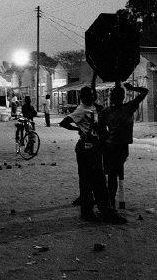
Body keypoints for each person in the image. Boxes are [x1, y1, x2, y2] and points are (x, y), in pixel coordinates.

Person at [59, 86, 126, 224]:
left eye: (92, 95)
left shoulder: (94, 107)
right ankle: (92, 212)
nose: (91, 97)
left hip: (95, 147)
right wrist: (80, 129)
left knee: (96, 179)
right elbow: (64, 123)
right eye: (88, 95)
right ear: (82, 97)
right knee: (90, 180)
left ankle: (97, 211)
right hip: (86, 148)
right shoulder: (81, 110)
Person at [99, 83, 149, 209]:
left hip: (117, 147)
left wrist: (132, 88)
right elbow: (101, 129)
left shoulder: (126, 108)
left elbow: (145, 91)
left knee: (112, 175)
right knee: (112, 175)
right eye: (112, 96)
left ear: (121, 97)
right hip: (114, 147)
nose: (113, 98)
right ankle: (111, 203)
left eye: (115, 96)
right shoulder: (115, 110)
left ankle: (111, 202)